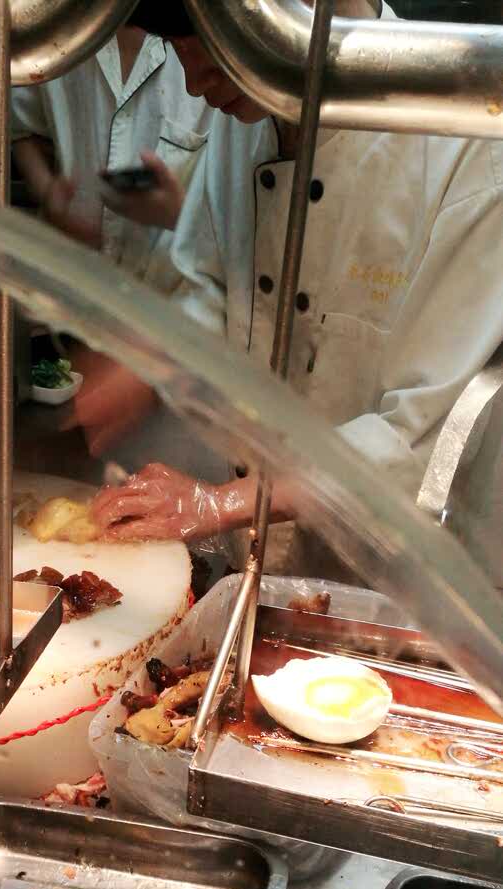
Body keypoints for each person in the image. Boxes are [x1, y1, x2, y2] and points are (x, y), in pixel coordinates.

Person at [89, 0, 503, 547]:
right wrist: (151, 358)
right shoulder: (250, 115)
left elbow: (423, 434)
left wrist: (220, 502)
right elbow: (212, 286)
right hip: (265, 544)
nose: (193, 84)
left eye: (211, 43)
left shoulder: (465, 139)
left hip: (412, 564)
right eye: (174, 46)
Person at [12, 24, 211, 293]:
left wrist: (180, 216)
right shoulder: (58, 25)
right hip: (73, 280)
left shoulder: (207, 41)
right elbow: (22, 129)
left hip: (172, 295)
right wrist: (47, 192)